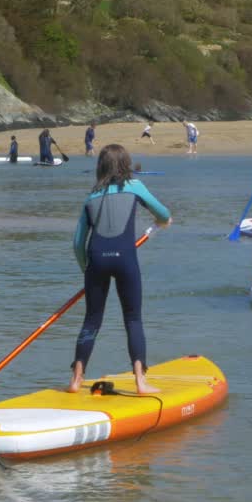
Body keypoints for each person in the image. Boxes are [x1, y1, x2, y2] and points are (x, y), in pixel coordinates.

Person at [68, 144, 172, 396]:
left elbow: (77, 243)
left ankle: (76, 379)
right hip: (125, 259)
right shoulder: (135, 187)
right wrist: (162, 222)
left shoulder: (91, 197)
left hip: (96, 261)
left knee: (92, 319)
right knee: (133, 318)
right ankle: (140, 382)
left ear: (100, 167)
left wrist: (88, 270)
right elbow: (164, 214)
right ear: (126, 164)